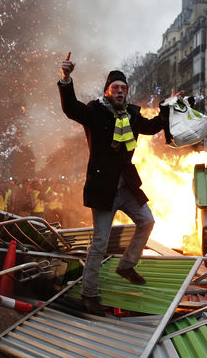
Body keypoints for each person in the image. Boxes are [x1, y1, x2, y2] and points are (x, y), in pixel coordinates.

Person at [57, 55, 168, 315]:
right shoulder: (95, 112)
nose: (119, 91)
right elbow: (71, 108)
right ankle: (89, 294)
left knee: (147, 220)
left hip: (126, 187)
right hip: (103, 189)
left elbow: (152, 127)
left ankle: (126, 265)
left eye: (123, 88)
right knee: (99, 243)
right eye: (115, 88)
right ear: (107, 91)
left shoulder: (132, 114)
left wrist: (171, 106)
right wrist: (66, 79)